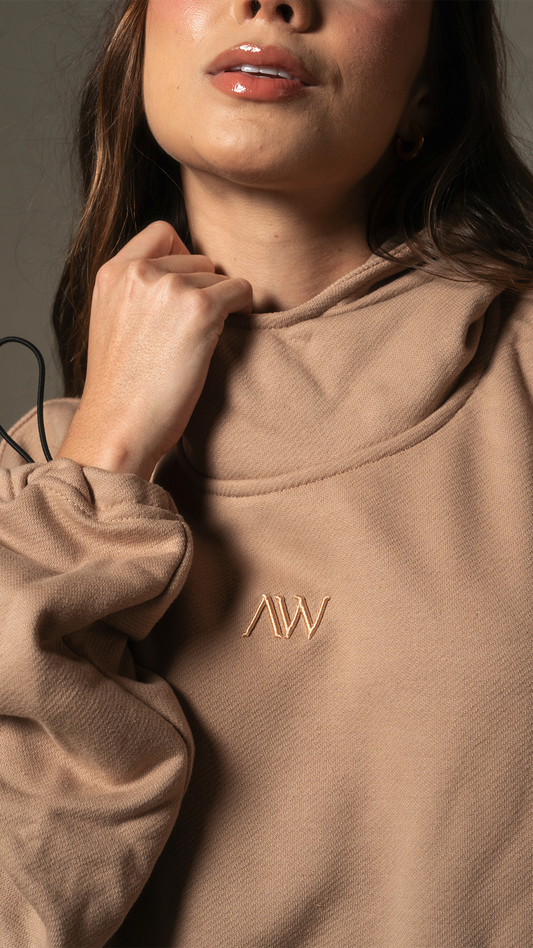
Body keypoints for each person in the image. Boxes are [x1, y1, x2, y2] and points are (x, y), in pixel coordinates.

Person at [1, 0, 533, 944]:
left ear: (427, 90)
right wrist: (104, 462)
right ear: (140, 39)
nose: (275, 0)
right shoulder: (33, 488)